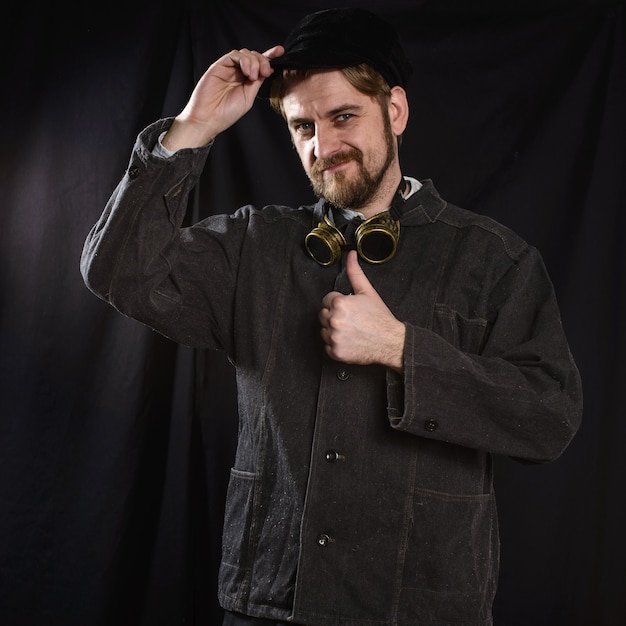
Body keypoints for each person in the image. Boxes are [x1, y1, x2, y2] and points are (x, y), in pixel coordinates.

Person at [81, 7, 583, 626]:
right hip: (269, 608)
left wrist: (402, 349)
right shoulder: (254, 246)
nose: (324, 146)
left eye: (343, 116)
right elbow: (117, 270)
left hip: (422, 611)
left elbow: (549, 416)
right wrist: (191, 130)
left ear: (393, 111)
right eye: (303, 127)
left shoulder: (496, 262)